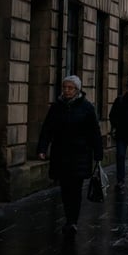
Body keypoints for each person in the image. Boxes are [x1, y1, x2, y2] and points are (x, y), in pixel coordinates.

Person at [37, 75, 104, 238]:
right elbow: (47, 129)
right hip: (60, 153)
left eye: (70, 88)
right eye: (64, 87)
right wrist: (42, 148)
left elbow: (94, 131)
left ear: (77, 90)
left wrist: (98, 153)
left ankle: (72, 220)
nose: (67, 90)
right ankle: (69, 218)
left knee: (75, 188)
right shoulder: (56, 107)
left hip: (80, 153)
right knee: (65, 188)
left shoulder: (87, 107)